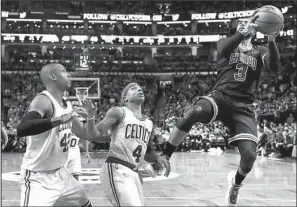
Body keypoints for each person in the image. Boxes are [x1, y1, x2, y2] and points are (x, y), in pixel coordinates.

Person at [160, 12, 282, 206]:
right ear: (236, 29)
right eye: (241, 23)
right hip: (220, 97)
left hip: (244, 107)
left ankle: (235, 185)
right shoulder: (226, 43)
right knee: (194, 112)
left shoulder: (260, 50)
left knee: (250, 156)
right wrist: (242, 34)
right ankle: (165, 155)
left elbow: (274, 68)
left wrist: (272, 40)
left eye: (248, 21)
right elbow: (223, 48)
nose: (245, 24)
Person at [81, 83, 171, 206]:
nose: (139, 89)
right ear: (125, 98)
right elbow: (93, 135)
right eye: (133, 89)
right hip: (117, 168)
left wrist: (158, 159)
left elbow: (148, 152)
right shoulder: (119, 112)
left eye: (140, 88)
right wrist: (91, 117)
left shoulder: (149, 123)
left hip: (135, 173)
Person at [17, 63, 92, 207]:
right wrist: (62, 118)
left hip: (61, 174)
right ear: (53, 76)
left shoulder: (68, 105)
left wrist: (91, 118)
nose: (69, 74)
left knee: (84, 203)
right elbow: (22, 128)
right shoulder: (43, 100)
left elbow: (84, 133)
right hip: (38, 177)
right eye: (64, 71)